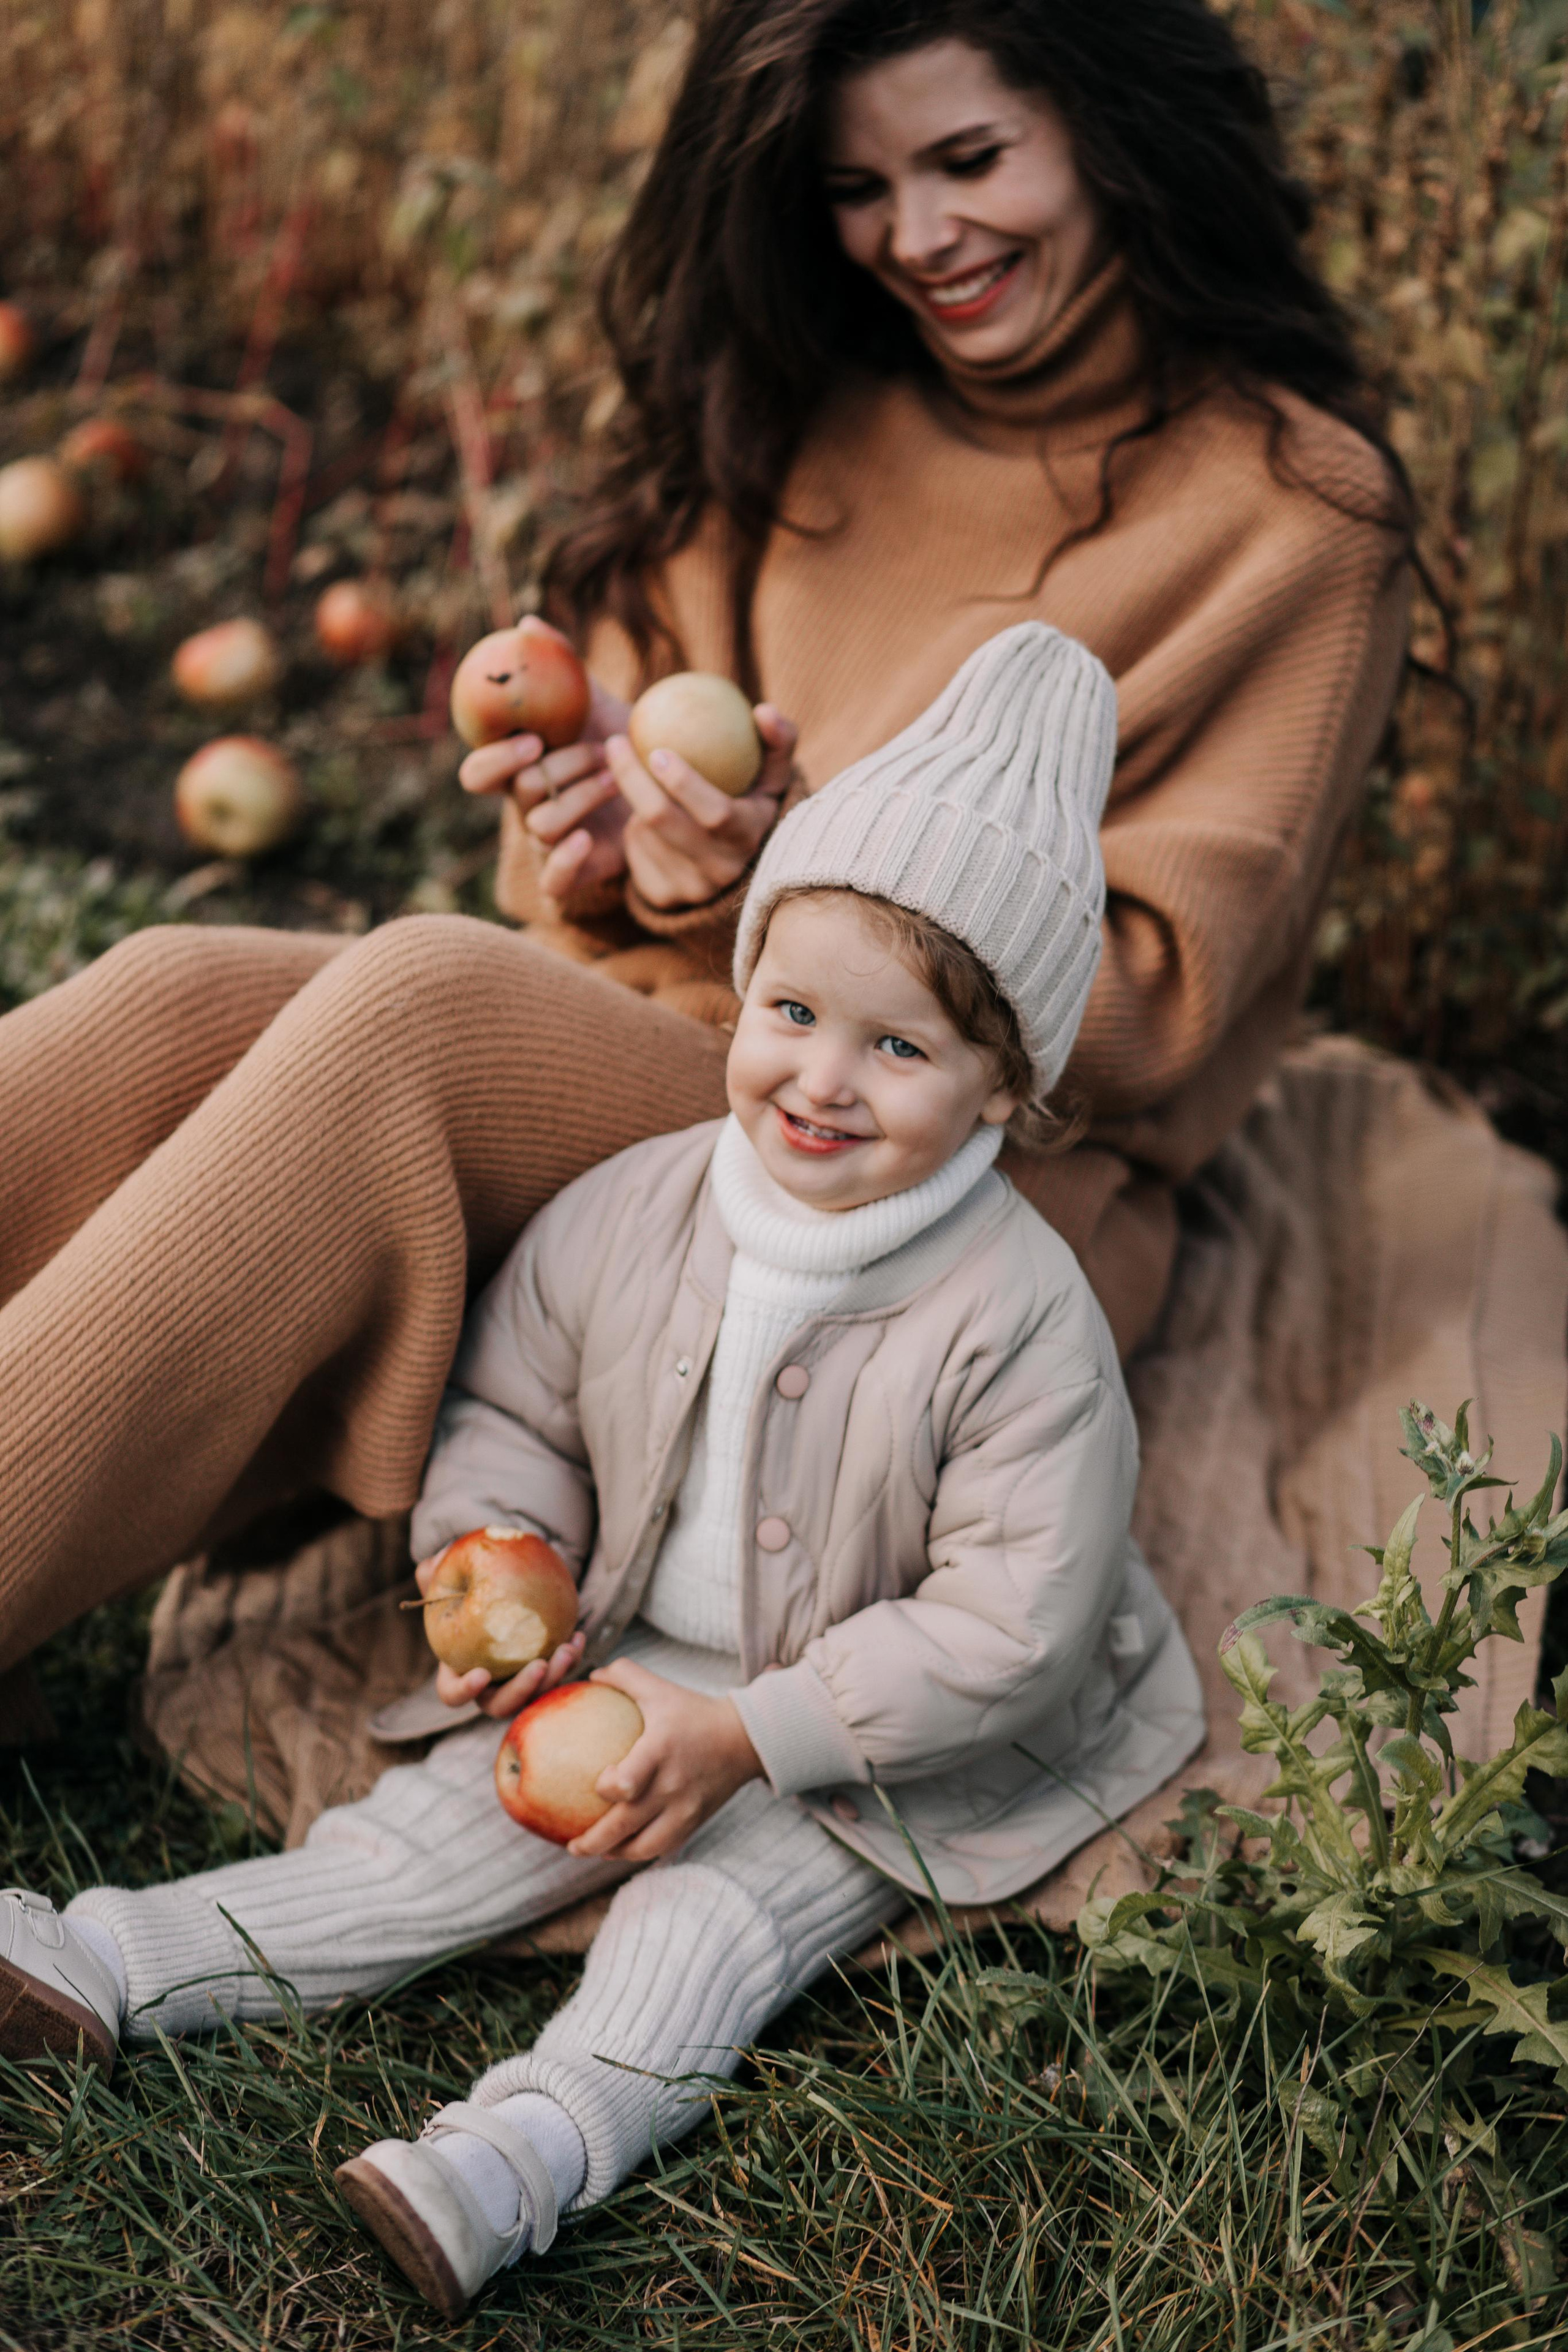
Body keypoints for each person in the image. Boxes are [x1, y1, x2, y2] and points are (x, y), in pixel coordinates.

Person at [0, 1, 1404, 1740]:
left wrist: (773, 879)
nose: (919, 236)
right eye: (860, 186)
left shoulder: (1290, 515)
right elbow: (568, 923)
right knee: (172, 994)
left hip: (942, 1150)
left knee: (416, 1011)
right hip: (697, 1060)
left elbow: (1153, 1019)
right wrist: (597, 830)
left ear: (1118, 132)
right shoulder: (796, 411)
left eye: (972, 159)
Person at [0, 627, 1204, 2315]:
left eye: (900, 1049)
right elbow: (517, 1400)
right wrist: (501, 1547)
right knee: (429, 1836)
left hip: (880, 1728)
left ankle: (533, 2150)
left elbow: (1012, 1623)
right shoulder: (642, 1206)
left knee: (700, 1927)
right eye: (788, 1010)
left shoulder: (1019, 1327)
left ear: (1008, 1083)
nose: (818, 1080)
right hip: (645, 1640)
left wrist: (752, 1736)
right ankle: (107, 1954)